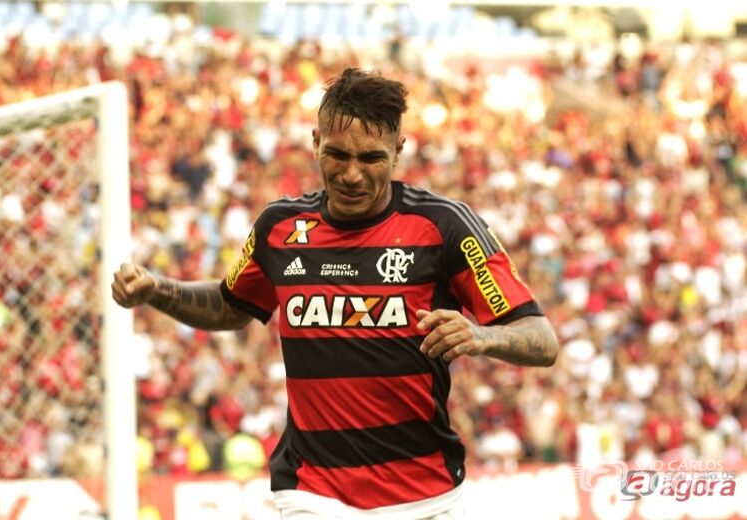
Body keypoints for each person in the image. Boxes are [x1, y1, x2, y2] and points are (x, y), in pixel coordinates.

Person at [112, 68, 559, 520]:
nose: (351, 174)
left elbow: (541, 339)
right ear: (314, 143)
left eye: (370, 158)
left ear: (398, 151)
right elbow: (231, 305)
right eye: (337, 154)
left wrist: (484, 337)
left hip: (425, 494)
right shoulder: (280, 227)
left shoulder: (445, 227)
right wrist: (158, 290)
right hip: (312, 492)